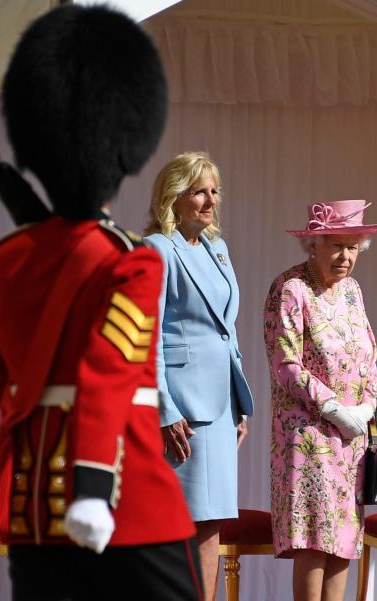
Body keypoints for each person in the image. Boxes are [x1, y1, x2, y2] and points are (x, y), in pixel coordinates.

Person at [0, 5, 202, 600]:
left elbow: (1, 388)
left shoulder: (3, 259)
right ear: (124, 149)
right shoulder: (131, 258)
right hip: (127, 498)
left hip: (35, 510)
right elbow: (108, 375)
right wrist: (94, 484)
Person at [145, 151, 254, 599]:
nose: (211, 202)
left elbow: (225, 330)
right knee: (179, 523)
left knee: (211, 521)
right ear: (174, 198)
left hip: (221, 405)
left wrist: (239, 400)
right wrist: (164, 410)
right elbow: (145, 339)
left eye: (215, 191)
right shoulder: (157, 249)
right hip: (183, 410)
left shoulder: (217, 248)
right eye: (199, 192)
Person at [264, 199, 377, 601]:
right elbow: (285, 363)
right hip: (309, 436)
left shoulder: (352, 292)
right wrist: (334, 408)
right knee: (315, 543)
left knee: (344, 541)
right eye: (336, 245)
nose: (345, 256)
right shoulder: (290, 288)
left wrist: (365, 408)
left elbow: (369, 355)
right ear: (313, 244)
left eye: (353, 247)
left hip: (351, 439)